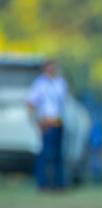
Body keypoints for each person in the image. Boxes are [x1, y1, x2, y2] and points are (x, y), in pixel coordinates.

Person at [26, 59, 68, 191]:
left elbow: (63, 103)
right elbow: (31, 103)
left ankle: (58, 184)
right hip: (45, 123)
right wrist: (36, 122)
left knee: (58, 154)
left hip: (58, 121)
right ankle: (43, 184)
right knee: (44, 154)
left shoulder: (60, 83)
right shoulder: (40, 84)